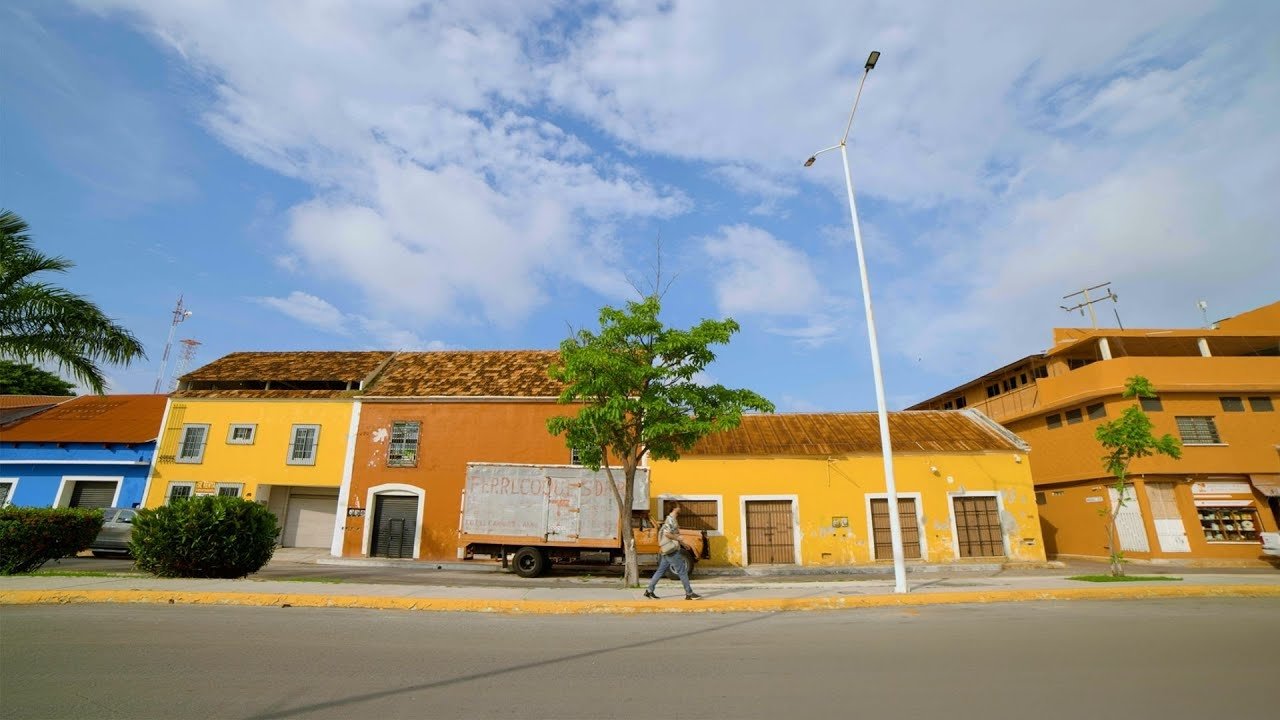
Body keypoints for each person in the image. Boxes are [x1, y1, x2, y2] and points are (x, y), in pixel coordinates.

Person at [644, 503, 701, 600]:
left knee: (660, 571)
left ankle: (649, 591)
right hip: (671, 550)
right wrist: (678, 537)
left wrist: (684, 544)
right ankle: (689, 593)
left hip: (669, 549)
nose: (680, 508)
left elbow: (674, 534)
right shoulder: (670, 519)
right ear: (675, 508)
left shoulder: (673, 519)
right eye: (679, 507)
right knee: (682, 571)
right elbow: (667, 534)